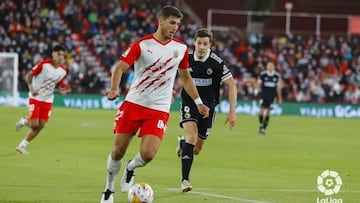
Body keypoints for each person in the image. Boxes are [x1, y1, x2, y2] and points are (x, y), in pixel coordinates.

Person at [100, 6, 210, 203]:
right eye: (172, 22)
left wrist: (198, 102)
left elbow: (185, 77)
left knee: (148, 154)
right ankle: (109, 190)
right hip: (134, 104)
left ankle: (131, 168)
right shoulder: (142, 45)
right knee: (117, 151)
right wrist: (114, 88)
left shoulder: (181, 48)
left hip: (158, 109)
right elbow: (120, 68)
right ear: (160, 21)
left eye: (178, 24)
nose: (175, 27)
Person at [176, 28, 237, 192]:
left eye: (205, 44)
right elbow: (177, 77)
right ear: (194, 43)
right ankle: (185, 181)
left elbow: (231, 84)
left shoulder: (216, 62)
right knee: (191, 136)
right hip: (189, 102)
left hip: (208, 108)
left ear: (210, 45)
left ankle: (183, 145)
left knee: (196, 148)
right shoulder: (186, 59)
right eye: (199, 43)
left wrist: (232, 112)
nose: (201, 47)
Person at [15, 44, 70, 154]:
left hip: (48, 99)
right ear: (53, 54)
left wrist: (60, 90)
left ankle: (22, 145)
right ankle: (24, 120)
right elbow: (29, 75)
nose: (61, 57)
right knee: (34, 124)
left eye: (63, 56)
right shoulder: (44, 64)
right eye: (59, 54)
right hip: (36, 97)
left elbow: (57, 83)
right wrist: (31, 89)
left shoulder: (63, 71)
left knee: (41, 125)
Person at [256, 61, 282, 134]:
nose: (270, 67)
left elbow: (278, 87)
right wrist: (256, 90)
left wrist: (279, 97)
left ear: (273, 67)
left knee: (268, 112)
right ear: (266, 67)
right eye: (269, 65)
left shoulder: (277, 76)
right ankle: (261, 124)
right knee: (261, 112)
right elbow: (258, 83)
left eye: (271, 66)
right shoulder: (263, 74)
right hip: (264, 96)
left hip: (272, 97)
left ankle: (263, 128)